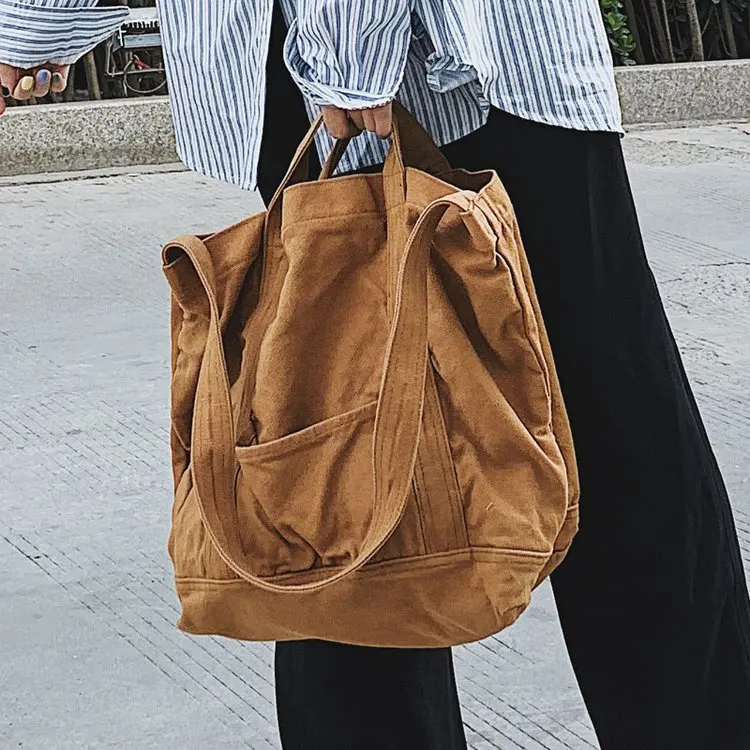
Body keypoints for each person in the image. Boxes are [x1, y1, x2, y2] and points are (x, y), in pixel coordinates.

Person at [2, 1, 749, 748]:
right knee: (334, 473)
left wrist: (349, 50)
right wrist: (35, 22)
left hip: (454, 56)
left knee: (587, 440)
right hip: (303, 60)